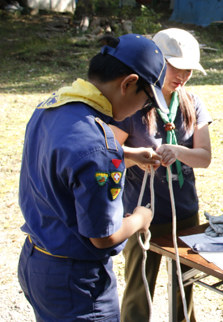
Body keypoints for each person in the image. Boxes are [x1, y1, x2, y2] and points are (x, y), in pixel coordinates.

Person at [18, 34, 167, 322]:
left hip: (36, 261)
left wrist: (127, 154)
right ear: (127, 84)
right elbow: (104, 237)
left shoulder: (53, 105)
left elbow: (65, 160)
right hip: (76, 283)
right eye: (147, 101)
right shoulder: (100, 148)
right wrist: (140, 218)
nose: (142, 110)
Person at [111, 29, 212, 322]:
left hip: (183, 209)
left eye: (189, 70)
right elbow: (112, 156)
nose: (182, 76)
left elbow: (204, 158)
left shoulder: (192, 103)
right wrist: (139, 157)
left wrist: (178, 151)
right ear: (155, 61)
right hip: (140, 210)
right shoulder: (133, 102)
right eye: (175, 67)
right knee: (140, 284)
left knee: (186, 283)